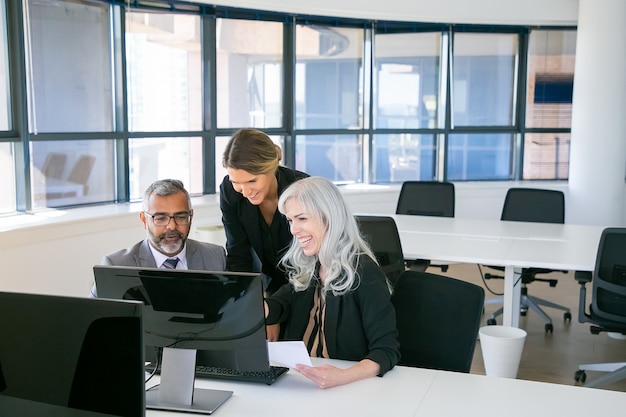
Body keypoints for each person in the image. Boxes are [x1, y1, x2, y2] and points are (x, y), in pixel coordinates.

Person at [264, 176, 400, 389]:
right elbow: (279, 305)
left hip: (346, 388)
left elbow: (386, 350)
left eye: (302, 219)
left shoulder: (364, 272)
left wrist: (342, 376)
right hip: (302, 382)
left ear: (329, 218)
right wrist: (252, 305)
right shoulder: (310, 265)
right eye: (290, 220)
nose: (293, 230)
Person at [89, 179, 226, 297]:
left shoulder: (215, 257)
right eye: (160, 218)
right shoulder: (116, 266)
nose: (172, 226)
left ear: (191, 216)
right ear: (143, 220)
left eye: (181, 217)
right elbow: (93, 320)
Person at [220, 128, 308, 294]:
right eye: (236, 182)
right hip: (267, 287)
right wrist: (241, 300)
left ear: (271, 168)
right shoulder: (229, 192)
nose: (245, 192)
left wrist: (279, 305)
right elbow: (238, 253)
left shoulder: (304, 189)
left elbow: (312, 260)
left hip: (306, 284)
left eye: (252, 181)